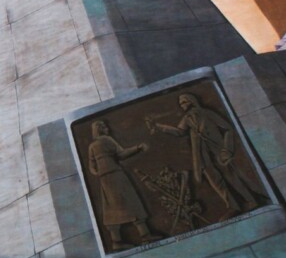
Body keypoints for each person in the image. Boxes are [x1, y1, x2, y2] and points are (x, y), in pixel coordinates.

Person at [150, 93, 260, 218]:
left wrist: (227, 150)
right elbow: (179, 132)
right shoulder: (187, 118)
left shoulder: (207, 113)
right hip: (202, 156)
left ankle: (251, 200)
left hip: (218, 152)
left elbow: (228, 128)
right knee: (216, 183)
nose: (182, 105)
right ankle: (233, 206)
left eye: (184, 102)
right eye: (180, 104)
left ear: (192, 101)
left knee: (232, 178)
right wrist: (159, 126)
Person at [87, 119, 155, 249]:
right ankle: (145, 235)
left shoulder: (92, 146)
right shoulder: (108, 140)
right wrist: (138, 147)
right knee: (132, 202)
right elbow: (122, 154)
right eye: (104, 126)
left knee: (110, 208)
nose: (107, 128)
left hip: (104, 179)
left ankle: (116, 242)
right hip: (116, 175)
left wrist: (100, 172)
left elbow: (92, 167)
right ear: (100, 129)